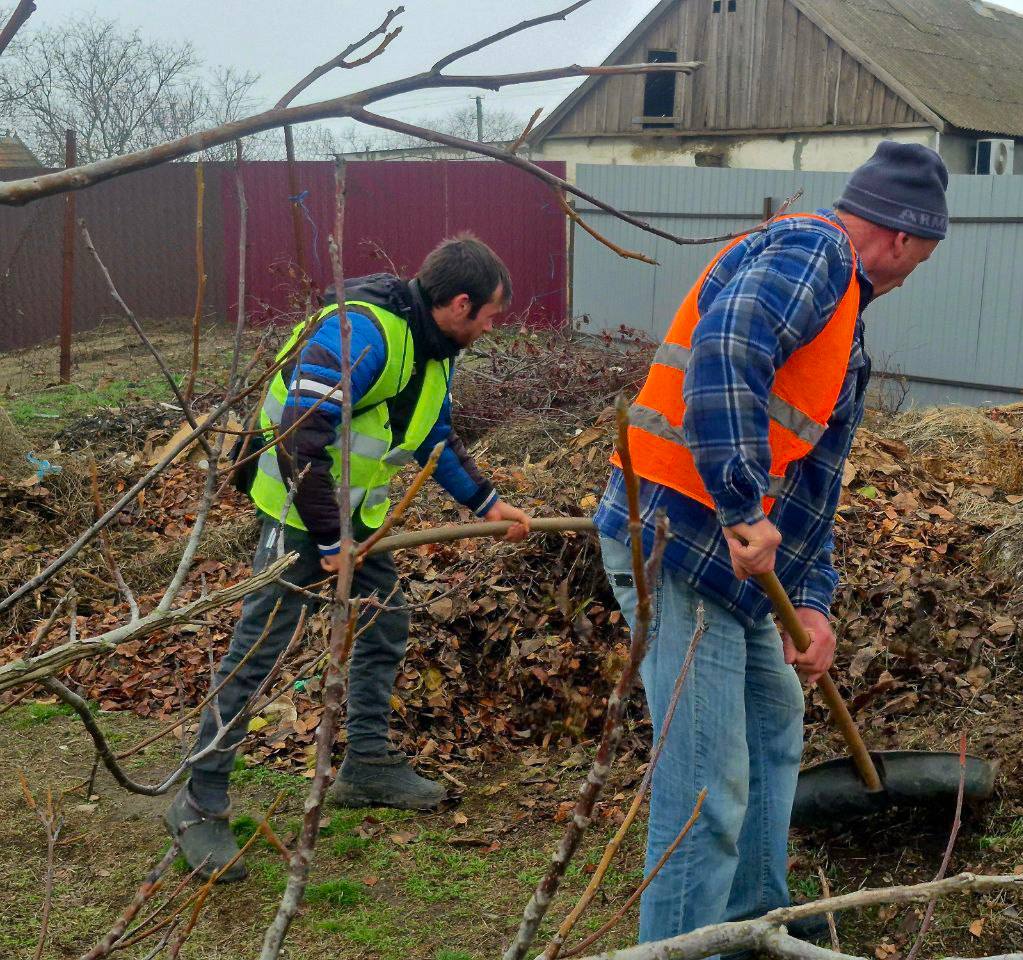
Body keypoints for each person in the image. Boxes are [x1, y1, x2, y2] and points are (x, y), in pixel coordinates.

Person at [594, 141, 949, 946]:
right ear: (898, 239)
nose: (907, 276)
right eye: (917, 261)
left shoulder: (841, 322)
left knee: (774, 728)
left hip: (736, 563)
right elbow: (725, 353)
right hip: (680, 547)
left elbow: (814, 486)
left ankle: (758, 927)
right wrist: (740, 503)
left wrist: (815, 605)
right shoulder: (813, 251)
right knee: (705, 788)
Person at [165, 234, 532, 881]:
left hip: (351, 521)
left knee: (386, 618)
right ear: (460, 303)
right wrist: (330, 541)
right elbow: (297, 435)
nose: (493, 328)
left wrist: (487, 504)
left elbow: (433, 437)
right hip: (298, 514)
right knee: (258, 654)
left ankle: (365, 764)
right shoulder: (362, 333)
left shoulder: (434, 350)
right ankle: (198, 802)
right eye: (492, 316)